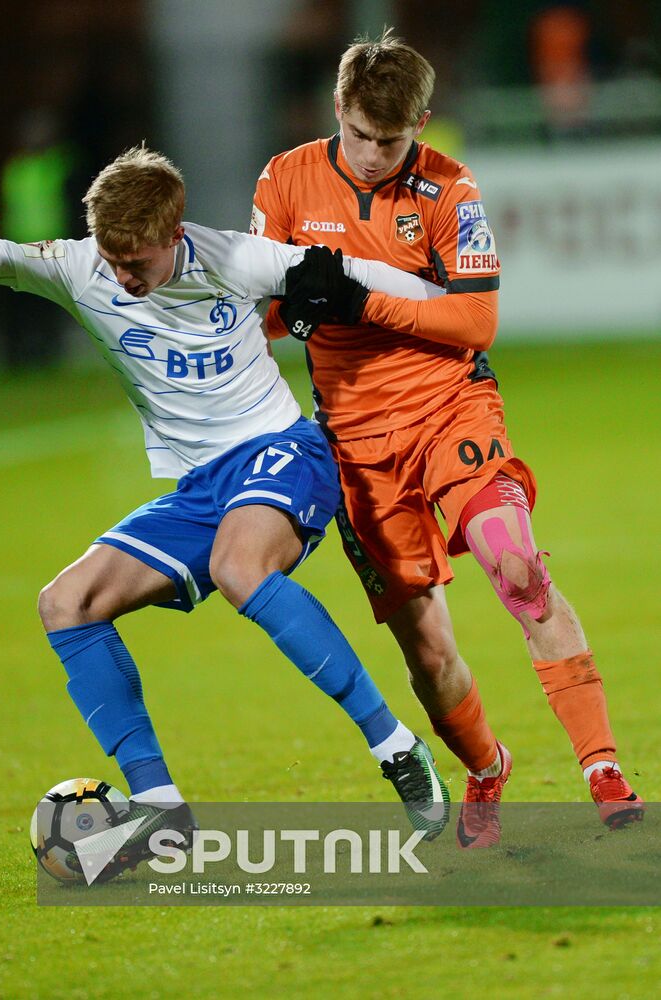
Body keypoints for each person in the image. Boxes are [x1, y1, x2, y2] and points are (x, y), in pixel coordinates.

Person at [0, 148, 452, 871]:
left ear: (174, 233)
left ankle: (395, 747)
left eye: (139, 264)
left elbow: (379, 281)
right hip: (195, 490)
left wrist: (432, 299)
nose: (123, 279)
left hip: (280, 451)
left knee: (237, 568)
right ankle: (160, 806)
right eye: (113, 259)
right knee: (66, 603)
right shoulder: (77, 267)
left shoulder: (234, 259)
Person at [250, 29, 643, 847]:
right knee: (426, 651)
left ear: (420, 124)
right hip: (354, 444)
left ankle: (603, 771)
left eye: (389, 139)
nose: (369, 153)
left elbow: (473, 320)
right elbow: (262, 318)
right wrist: (288, 312)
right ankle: (486, 766)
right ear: (337, 109)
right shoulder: (284, 180)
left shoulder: (449, 191)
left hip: (448, 411)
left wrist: (360, 302)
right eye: (357, 133)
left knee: (516, 566)